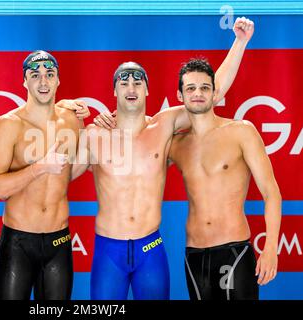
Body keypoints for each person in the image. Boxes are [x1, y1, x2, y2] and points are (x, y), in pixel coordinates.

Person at [75, 17, 255, 299]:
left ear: (147, 89)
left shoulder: (164, 125)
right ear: (114, 91)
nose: (131, 87)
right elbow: (61, 172)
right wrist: (65, 115)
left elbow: (213, 92)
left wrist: (240, 42)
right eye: (124, 81)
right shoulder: (95, 135)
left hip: (150, 249)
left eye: (138, 81)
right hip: (108, 250)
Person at [168, 58, 281, 300]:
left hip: (234, 250)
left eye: (204, 88)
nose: (197, 93)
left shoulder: (241, 132)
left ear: (215, 92)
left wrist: (271, 246)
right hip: (194, 255)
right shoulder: (176, 145)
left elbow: (271, 193)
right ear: (180, 95)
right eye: (190, 88)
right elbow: (139, 139)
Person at [0, 50, 90, 300]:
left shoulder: (71, 122)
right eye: (35, 75)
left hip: (59, 241)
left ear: (58, 80)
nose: (43, 82)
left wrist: (87, 141)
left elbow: (66, 174)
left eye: (49, 75)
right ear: (24, 81)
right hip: (18, 243)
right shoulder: (8, 125)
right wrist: (40, 167)